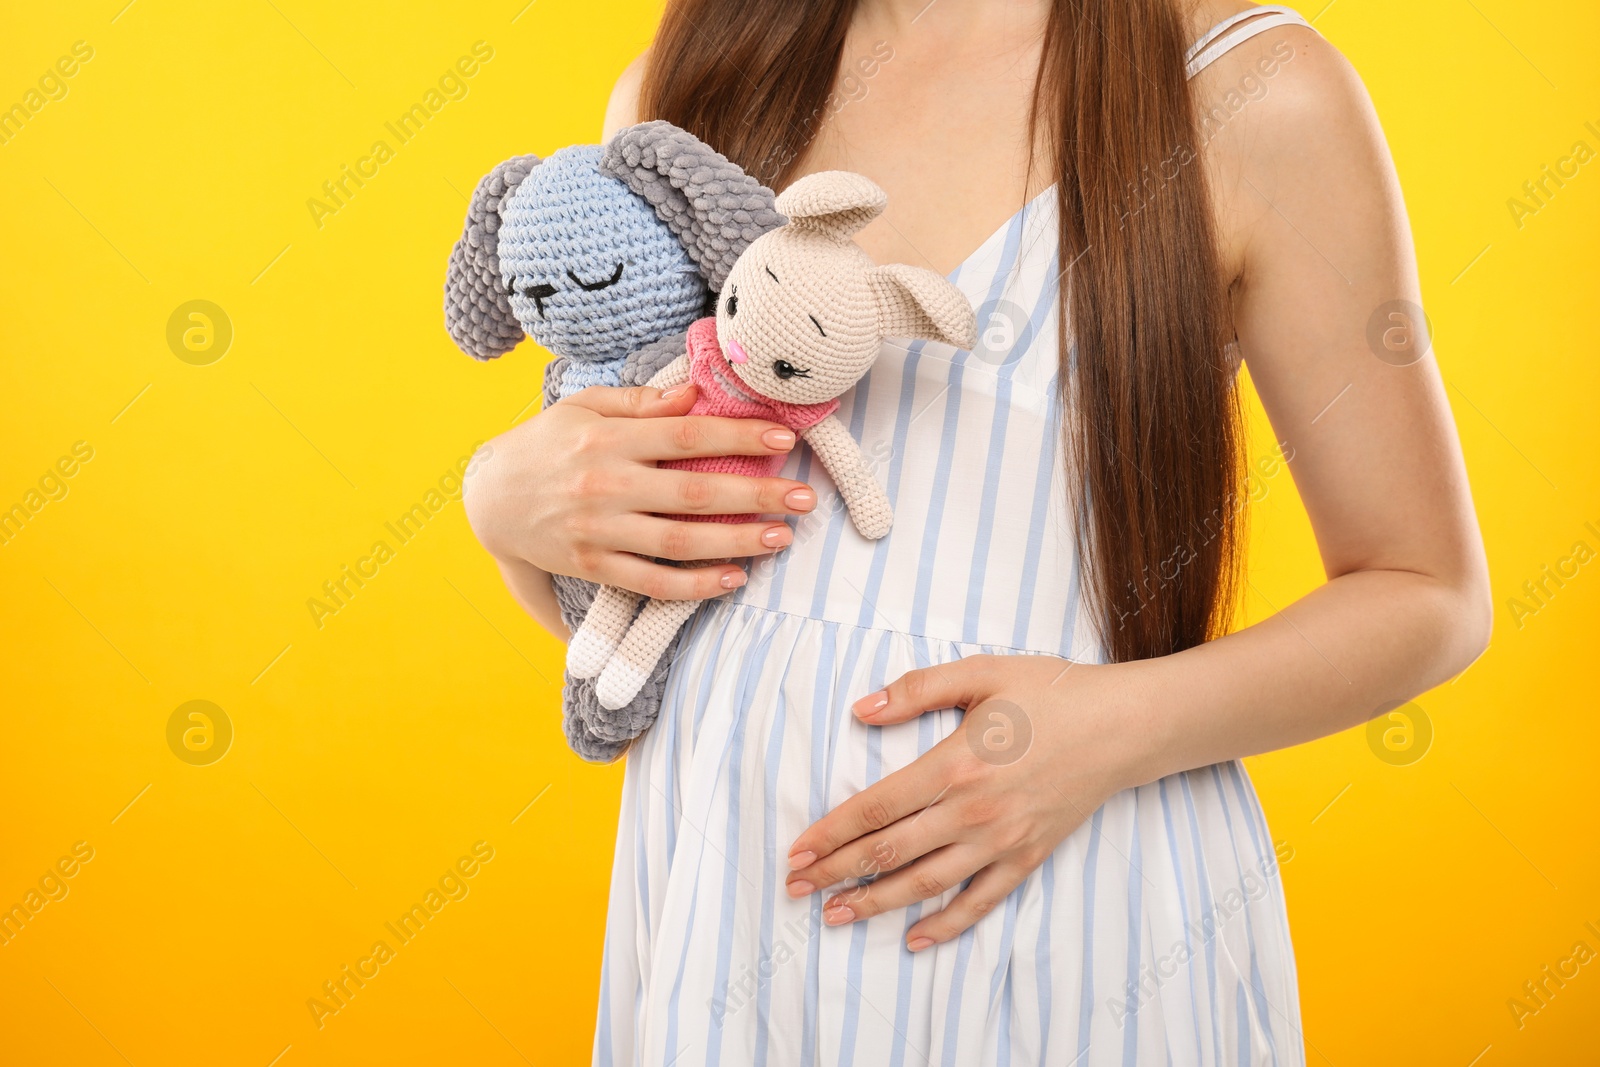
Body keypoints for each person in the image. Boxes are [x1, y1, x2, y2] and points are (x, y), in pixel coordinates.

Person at [461, 2, 1492, 1062]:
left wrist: (1106, 728)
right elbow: (652, 619)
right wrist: (504, 505)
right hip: (722, 894)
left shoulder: (1250, 91)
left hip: (1075, 904)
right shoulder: (691, 83)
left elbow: (1426, 591)